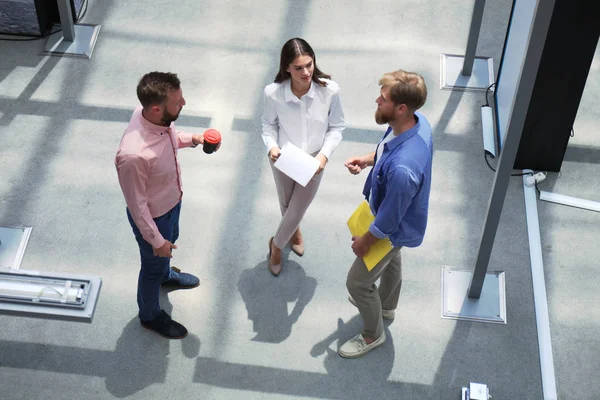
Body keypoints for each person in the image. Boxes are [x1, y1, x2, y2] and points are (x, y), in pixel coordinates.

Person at [115, 72, 220, 339]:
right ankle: (150, 315)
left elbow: (169, 136)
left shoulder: (153, 117)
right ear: (156, 108)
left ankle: (164, 274)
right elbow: (137, 206)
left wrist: (193, 139)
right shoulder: (133, 156)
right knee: (152, 265)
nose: (183, 102)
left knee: (170, 245)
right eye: (177, 101)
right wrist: (156, 239)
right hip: (154, 219)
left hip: (172, 204)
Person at [340, 69, 432, 358]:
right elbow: (388, 149)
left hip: (392, 227)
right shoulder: (417, 123)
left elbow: (389, 220)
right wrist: (370, 160)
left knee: (357, 283)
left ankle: (372, 335)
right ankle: (387, 307)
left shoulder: (403, 170)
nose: (377, 101)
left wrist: (366, 241)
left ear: (401, 108)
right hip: (400, 223)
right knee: (392, 260)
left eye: (383, 99)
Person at [261, 38, 345, 276]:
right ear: (286, 67)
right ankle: (294, 232)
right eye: (298, 68)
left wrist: (324, 157)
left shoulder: (330, 90)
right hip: (283, 157)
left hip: (314, 160)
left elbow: (337, 127)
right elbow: (268, 125)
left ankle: (275, 246)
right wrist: (272, 147)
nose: (306, 72)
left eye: (309, 64)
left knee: (298, 207)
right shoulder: (273, 93)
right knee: (287, 203)